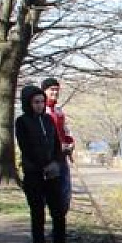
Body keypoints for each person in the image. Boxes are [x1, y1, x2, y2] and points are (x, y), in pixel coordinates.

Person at [14, 84, 80, 243]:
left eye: (42, 102)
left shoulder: (49, 120)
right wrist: (43, 165)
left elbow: (55, 144)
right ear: (28, 102)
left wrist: (58, 161)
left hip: (53, 174)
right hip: (34, 174)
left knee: (58, 212)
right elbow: (27, 148)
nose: (40, 105)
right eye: (36, 102)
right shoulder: (22, 122)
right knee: (38, 214)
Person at [41, 77, 75, 212]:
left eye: (57, 90)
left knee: (64, 193)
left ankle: (59, 229)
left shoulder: (59, 111)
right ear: (44, 91)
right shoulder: (42, 111)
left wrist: (70, 142)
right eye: (51, 90)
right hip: (48, 159)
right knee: (47, 194)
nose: (55, 93)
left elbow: (65, 131)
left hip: (62, 157)